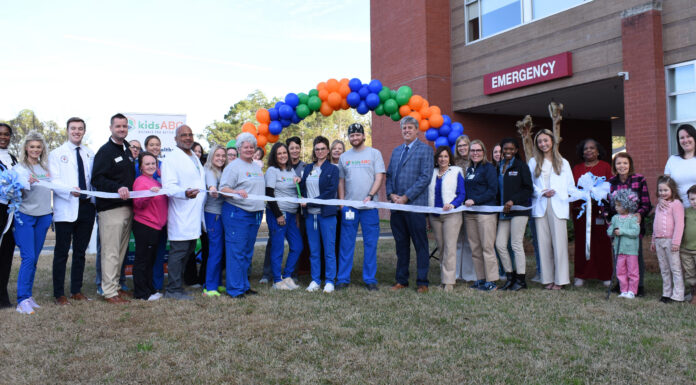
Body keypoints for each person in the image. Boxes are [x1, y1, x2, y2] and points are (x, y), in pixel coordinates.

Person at [48, 117, 96, 305]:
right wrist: (70, 190)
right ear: (67, 130)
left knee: (80, 252)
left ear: (84, 131)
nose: (77, 131)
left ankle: (76, 290)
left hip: (86, 208)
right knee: (61, 252)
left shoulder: (89, 153)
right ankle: (59, 293)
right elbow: (54, 181)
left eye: (80, 129)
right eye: (73, 128)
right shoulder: (56, 154)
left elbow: (92, 180)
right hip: (66, 207)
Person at [386, 116, 434, 293]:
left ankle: (422, 282)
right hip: (397, 207)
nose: (406, 130)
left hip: (415, 206)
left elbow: (425, 178)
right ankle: (401, 280)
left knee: (420, 245)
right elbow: (389, 175)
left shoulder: (426, 150)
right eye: (404, 128)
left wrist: (406, 197)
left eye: (410, 128)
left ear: (417, 130)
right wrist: (391, 195)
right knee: (401, 245)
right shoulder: (396, 151)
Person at [91, 113, 135, 304]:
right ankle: (108, 291)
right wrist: (117, 188)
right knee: (110, 251)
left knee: (121, 251)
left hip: (127, 208)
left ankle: (115, 286)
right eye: (118, 126)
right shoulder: (105, 151)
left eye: (124, 126)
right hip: (110, 209)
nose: (122, 129)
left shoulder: (126, 149)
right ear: (111, 128)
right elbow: (97, 179)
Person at [337, 123, 385, 291]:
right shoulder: (344, 157)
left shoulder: (374, 153)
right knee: (346, 243)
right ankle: (343, 278)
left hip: (369, 207)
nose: (355, 138)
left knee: (370, 244)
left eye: (358, 135)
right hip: (350, 207)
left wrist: (370, 195)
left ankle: (370, 279)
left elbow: (379, 177)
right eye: (352, 135)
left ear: (364, 136)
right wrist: (342, 202)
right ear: (349, 138)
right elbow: (341, 181)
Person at [160, 125, 206, 300]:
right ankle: (172, 290)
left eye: (190, 134)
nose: (187, 138)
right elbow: (169, 187)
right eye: (183, 135)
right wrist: (184, 193)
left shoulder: (193, 155)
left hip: (194, 214)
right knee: (178, 253)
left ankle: (178, 285)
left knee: (189, 251)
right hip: (181, 212)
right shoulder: (171, 159)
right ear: (176, 139)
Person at [219, 133, 265, 298]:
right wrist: (236, 191)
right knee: (236, 251)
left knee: (247, 252)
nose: (249, 149)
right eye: (245, 146)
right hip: (237, 214)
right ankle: (235, 289)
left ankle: (244, 285)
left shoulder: (255, 166)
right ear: (238, 149)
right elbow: (223, 189)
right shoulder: (233, 167)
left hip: (254, 215)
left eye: (251, 146)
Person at [528, 128, 575, 290]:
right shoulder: (533, 162)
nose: (543, 144)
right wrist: (542, 192)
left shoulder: (563, 162)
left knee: (559, 245)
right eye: (540, 141)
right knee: (543, 243)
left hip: (558, 206)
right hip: (541, 205)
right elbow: (530, 185)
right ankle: (547, 278)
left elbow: (570, 186)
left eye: (546, 140)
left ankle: (560, 280)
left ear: (552, 141)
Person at [13, 131, 53, 314]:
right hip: (25, 216)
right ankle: (21, 300)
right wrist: (23, 183)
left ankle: (28, 296)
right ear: (26, 148)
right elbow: (12, 191)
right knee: (28, 258)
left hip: (44, 216)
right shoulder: (19, 168)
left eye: (38, 146)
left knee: (34, 259)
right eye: (32, 147)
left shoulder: (46, 168)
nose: (35, 150)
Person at [605, 152, 651, 296]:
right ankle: (621, 285)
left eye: (625, 163)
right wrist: (607, 216)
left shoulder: (639, 179)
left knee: (635, 257)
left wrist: (639, 214)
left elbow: (646, 203)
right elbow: (606, 203)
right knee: (619, 256)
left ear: (630, 164)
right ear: (615, 166)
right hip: (618, 223)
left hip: (633, 224)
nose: (622, 166)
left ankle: (639, 287)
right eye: (618, 163)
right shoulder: (611, 183)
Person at [572, 138, 613, 287]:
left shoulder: (605, 166)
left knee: (602, 242)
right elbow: (573, 188)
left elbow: (610, 188)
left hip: (600, 212)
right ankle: (581, 275)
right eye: (585, 149)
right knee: (582, 242)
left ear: (598, 151)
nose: (588, 151)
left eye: (592, 148)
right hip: (581, 212)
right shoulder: (577, 169)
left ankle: (605, 275)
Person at [300, 136, 339, 293]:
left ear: (328, 151)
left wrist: (309, 202)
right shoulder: (308, 168)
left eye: (323, 148)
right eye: (317, 149)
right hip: (310, 216)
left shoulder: (333, 169)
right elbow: (303, 189)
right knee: (314, 250)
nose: (320, 151)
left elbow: (330, 193)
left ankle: (330, 281)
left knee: (329, 250)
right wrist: (298, 181)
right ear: (314, 151)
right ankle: (315, 280)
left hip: (326, 216)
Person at [495, 138, 533, 291]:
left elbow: (528, 189)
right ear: (502, 150)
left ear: (516, 150)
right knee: (500, 244)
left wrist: (512, 200)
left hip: (519, 210)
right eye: (505, 149)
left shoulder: (521, 166)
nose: (508, 152)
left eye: (511, 149)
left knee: (516, 244)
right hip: (503, 212)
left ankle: (521, 280)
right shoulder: (499, 166)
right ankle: (510, 277)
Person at [265, 142, 302, 290]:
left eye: (284, 153)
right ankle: (276, 280)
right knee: (278, 247)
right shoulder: (272, 171)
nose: (282, 156)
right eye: (279, 153)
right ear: (274, 155)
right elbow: (269, 194)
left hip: (292, 215)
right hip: (278, 214)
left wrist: (298, 181)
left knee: (297, 246)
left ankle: (287, 276)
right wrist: (278, 215)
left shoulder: (291, 171)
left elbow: (295, 191)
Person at [428, 146, 465, 292]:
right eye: (440, 156)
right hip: (435, 216)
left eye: (445, 156)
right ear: (436, 159)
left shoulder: (456, 171)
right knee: (442, 247)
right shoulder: (432, 173)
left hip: (452, 215)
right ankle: (444, 278)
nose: (443, 159)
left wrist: (453, 204)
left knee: (450, 247)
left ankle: (449, 282)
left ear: (450, 158)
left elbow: (462, 193)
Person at [464, 140, 499, 291]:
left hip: (486, 212)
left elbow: (493, 190)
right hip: (470, 214)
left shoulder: (488, 168)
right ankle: (480, 279)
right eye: (472, 150)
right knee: (475, 248)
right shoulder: (470, 169)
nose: (475, 153)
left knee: (487, 247)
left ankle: (492, 281)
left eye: (478, 150)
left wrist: (476, 200)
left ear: (484, 152)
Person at [131, 152, 167, 301]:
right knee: (142, 261)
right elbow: (138, 204)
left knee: (149, 261)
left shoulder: (157, 182)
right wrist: (148, 195)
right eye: (147, 164)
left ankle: (149, 289)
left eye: (153, 163)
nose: (151, 166)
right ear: (141, 166)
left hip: (156, 227)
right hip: (145, 225)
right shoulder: (140, 181)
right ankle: (141, 293)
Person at [651, 175, 685, 303]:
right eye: (660, 190)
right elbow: (656, 223)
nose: (663, 193)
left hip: (671, 241)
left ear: (672, 190)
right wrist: (653, 240)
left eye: (665, 190)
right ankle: (666, 293)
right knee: (664, 268)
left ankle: (678, 295)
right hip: (659, 241)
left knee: (675, 268)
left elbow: (679, 224)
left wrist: (676, 242)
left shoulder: (676, 204)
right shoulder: (659, 204)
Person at [203, 145, 228, 297]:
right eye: (217, 155)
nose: (220, 158)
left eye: (223, 156)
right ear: (212, 156)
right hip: (213, 215)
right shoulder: (210, 171)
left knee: (220, 251)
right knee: (215, 251)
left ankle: (217, 283)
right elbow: (211, 185)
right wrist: (213, 189)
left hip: (221, 214)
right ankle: (209, 287)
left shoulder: (223, 171)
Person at [606, 189, 641, 299]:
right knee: (620, 271)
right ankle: (623, 290)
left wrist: (622, 232)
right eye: (615, 205)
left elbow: (635, 232)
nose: (616, 207)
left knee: (632, 271)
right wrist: (612, 230)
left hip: (631, 250)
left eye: (619, 205)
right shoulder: (615, 218)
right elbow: (609, 232)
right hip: (619, 250)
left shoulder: (633, 218)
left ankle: (632, 291)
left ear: (627, 205)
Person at [142, 135, 166, 291]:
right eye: (151, 145)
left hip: (163, 216)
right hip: (147, 218)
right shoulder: (141, 168)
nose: (155, 147)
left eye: (157, 144)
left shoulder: (165, 165)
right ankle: (147, 284)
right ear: (146, 147)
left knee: (160, 253)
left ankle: (157, 285)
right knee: (147, 255)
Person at [184, 141, 208, 287]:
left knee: (206, 246)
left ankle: (204, 277)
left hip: (204, 214)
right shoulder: (185, 169)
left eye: (199, 151)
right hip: (189, 213)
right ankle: (190, 278)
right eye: (195, 151)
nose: (197, 154)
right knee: (189, 247)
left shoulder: (204, 169)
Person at [453, 135, 476, 282]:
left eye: (464, 145)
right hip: (456, 205)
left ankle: (468, 274)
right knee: (456, 241)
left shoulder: (475, 163)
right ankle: (455, 273)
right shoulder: (453, 164)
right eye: (459, 146)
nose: (462, 148)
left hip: (470, 206)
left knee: (468, 240)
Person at [287, 136, 310, 277]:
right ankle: (268, 274)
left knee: (301, 242)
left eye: (297, 148)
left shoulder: (306, 167)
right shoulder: (283, 166)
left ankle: (298, 271)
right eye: (292, 148)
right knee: (274, 243)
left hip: (301, 212)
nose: (295, 151)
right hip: (285, 210)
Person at [0, 123, 17, 309]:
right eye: (0, 134)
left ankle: (3, 296)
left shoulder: (13, 158)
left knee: (6, 253)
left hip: (11, 210)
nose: (3, 137)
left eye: (6, 134)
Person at [664, 124, 696, 206]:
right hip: (676, 210)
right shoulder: (672, 160)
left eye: (688, 136)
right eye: (682, 138)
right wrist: (662, 199)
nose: (685, 140)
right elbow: (664, 186)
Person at [681, 185, 696, 304]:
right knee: (690, 273)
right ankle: (692, 292)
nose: (694, 201)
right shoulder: (685, 212)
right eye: (692, 199)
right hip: (686, 249)